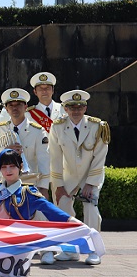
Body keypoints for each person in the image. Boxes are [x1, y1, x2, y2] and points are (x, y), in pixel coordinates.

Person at [0, 149, 76, 277]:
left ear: (20, 167)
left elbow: (51, 210)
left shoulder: (28, 192)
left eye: (12, 166)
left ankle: (5, 271)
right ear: (0, 169)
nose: (8, 170)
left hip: (15, 247)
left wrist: (73, 222)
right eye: (4, 167)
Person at [49, 89, 109, 265]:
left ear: (85, 108)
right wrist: (58, 185)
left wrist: (91, 184)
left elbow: (100, 157)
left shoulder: (97, 126)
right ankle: (69, 250)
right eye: (71, 107)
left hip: (90, 174)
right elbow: (55, 157)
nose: (76, 111)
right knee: (62, 208)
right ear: (65, 109)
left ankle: (93, 250)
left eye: (80, 107)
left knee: (91, 209)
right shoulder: (57, 126)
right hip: (68, 175)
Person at [0, 88, 50, 198]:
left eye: (18, 105)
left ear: (25, 107)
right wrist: (6, 151)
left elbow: (44, 161)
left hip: (30, 182)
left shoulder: (37, 130)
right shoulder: (1, 129)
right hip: (6, 182)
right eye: (11, 105)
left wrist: (44, 187)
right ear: (6, 109)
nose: (14, 108)